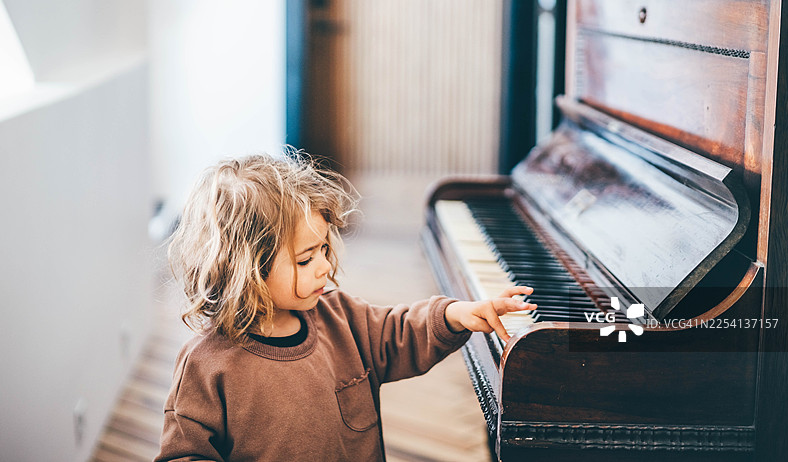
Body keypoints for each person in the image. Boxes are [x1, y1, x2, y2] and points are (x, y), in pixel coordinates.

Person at [155, 150, 536, 462]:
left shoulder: (340, 318)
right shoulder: (206, 365)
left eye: (324, 248)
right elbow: (184, 453)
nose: (324, 265)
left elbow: (398, 332)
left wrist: (453, 316)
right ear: (246, 269)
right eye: (305, 260)